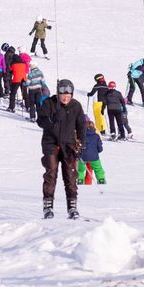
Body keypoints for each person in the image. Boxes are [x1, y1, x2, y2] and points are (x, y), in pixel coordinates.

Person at [37, 79, 86, 220]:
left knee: (70, 176)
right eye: (63, 95)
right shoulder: (49, 104)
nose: (65, 98)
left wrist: (81, 144)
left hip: (69, 145)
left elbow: (81, 126)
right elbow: (40, 121)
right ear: (58, 93)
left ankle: (72, 207)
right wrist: (52, 119)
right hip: (50, 144)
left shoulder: (76, 106)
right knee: (51, 174)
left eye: (68, 96)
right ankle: (48, 207)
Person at [77, 119, 106, 185]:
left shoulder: (81, 136)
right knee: (98, 169)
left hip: (82, 157)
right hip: (94, 157)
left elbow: (78, 146)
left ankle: (79, 180)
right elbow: (100, 148)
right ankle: (101, 179)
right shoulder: (96, 136)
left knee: (80, 170)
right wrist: (96, 151)